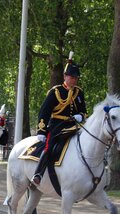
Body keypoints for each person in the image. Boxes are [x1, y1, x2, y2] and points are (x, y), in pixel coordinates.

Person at [31, 52, 87, 186]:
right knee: (49, 147)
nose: (74, 80)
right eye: (72, 77)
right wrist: (41, 132)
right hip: (57, 125)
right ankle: (38, 174)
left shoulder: (79, 92)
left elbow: (84, 111)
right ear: (65, 76)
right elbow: (44, 112)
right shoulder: (56, 92)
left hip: (74, 125)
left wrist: (81, 115)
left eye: (76, 78)